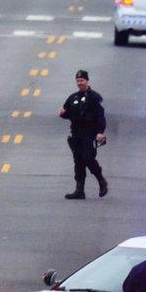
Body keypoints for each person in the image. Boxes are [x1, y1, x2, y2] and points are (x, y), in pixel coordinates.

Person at [58, 70, 107, 199]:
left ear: (87, 81)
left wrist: (100, 132)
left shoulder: (95, 97)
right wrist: (63, 114)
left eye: (82, 80)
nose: (80, 83)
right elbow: (67, 113)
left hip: (89, 134)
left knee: (88, 158)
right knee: (78, 161)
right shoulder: (73, 97)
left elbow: (100, 116)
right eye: (78, 81)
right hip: (76, 134)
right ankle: (79, 190)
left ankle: (102, 181)